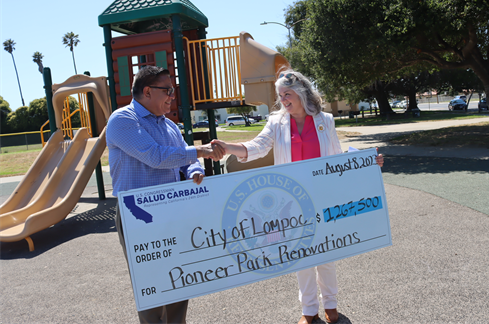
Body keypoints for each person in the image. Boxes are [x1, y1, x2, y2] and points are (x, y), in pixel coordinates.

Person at [213, 69, 384, 324]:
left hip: (323, 195)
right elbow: (257, 147)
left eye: (287, 94)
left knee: (326, 252)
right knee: (300, 253)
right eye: (280, 96)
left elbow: (338, 158)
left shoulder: (325, 120)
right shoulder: (276, 123)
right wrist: (229, 147)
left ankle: (331, 304)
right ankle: (309, 310)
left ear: (302, 93)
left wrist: (368, 162)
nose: (283, 100)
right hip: (292, 199)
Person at [106, 65, 224, 324]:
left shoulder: (169, 125)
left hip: (172, 211)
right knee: (151, 282)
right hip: (139, 214)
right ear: (147, 91)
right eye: (167, 90)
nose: (172, 96)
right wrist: (200, 152)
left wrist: (194, 170)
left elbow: (183, 158)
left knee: (179, 277)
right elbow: (156, 157)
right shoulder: (122, 120)